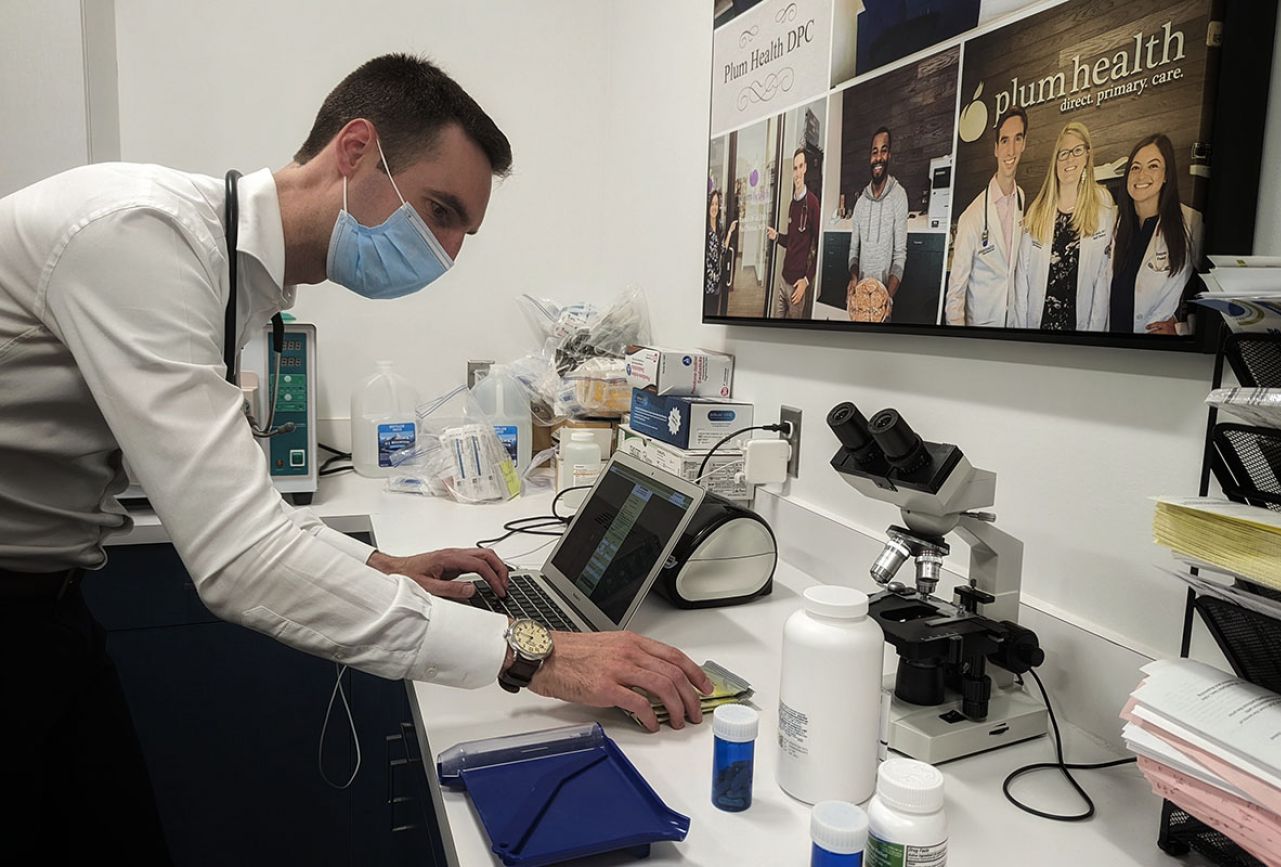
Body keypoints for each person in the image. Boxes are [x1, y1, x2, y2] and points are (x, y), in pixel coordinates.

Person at [0, 54, 711, 863]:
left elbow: (228, 505)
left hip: (48, 606)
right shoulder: (142, 236)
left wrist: (378, 562)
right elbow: (239, 558)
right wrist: (537, 652)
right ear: (356, 150)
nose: (445, 253)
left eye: (462, 235)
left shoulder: (230, 276)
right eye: (440, 211)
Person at [1010, 121, 1116, 331]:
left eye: (1077, 151)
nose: (1070, 159)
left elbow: (1104, 279)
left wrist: (1095, 334)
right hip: (1040, 324)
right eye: (1063, 153)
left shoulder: (1102, 205)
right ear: (1055, 161)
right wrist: (1021, 332)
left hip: (1080, 327)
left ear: (1087, 155)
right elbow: (1022, 279)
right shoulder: (1037, 210)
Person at [1108, 133, 1203, 335]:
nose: (1141, 176)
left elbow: (1215, 290)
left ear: (1166, 174)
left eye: (1153, 166)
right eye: (1135, 167)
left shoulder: (1190, 222)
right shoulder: (1112, 220)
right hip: (1108, 344)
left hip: (1153, 348)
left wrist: (1182, 328)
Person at [945, 108, 1028, 327]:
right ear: (996, 149)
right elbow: (955, 296)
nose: (1011, 150)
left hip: (1012, 325)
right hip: (980, 330)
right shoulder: (971, 217)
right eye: (1004, 141)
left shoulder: (1021, 197)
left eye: (1017, 139)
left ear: (1024, 143)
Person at [847, 126, 908, 321]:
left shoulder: (899, 196)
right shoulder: (860, 203)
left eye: (883, 150)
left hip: (885, 300)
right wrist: (854, 278)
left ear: (889, 155)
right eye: (874, 152)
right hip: (860, 298)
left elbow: (900, 256)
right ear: (869, 158)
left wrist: (887, 297)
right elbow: (853, 251)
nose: (878, 157)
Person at [766, 147, 820, 318]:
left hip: (797, 286)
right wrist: (777, 237)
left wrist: (806, 281)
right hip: (783, 279)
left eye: (800, 167)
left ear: (805, 168)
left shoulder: (812, 203)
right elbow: (791, 240)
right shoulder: (792, 204)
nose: (797, 173)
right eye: (794, 168)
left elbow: (820, 246)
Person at [705, 188, 737, 317]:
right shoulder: (704, 228)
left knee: (713, 313)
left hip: (717, 282)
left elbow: (722, 251)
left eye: (716, 204)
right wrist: (711, 276)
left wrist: (729, 232)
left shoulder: (719, 226)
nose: (714, 207)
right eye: (712, 204)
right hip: (706, 283)